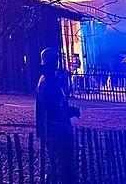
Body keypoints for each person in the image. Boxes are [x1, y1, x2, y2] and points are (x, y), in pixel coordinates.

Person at [36, 48, 76, 183]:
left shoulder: (53, 79)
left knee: (59, 164)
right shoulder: (48, 82)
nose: (58, 63)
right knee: (56, 164)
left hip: (58, 126)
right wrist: (72, 112)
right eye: (56, 60)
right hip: (54, 127)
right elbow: (53, 108)